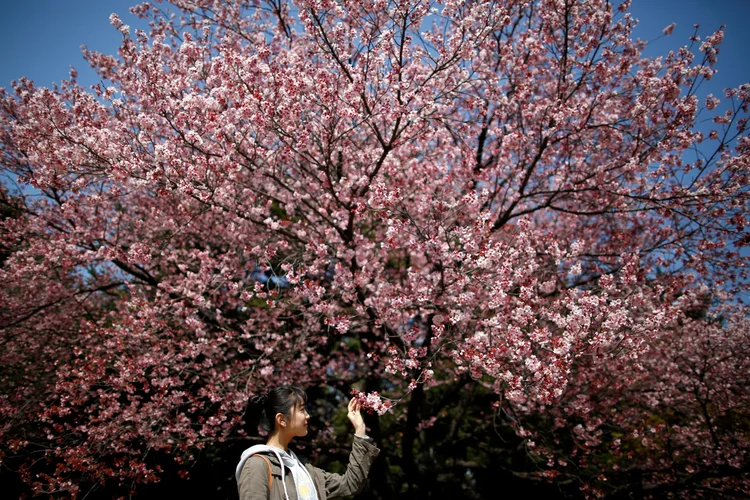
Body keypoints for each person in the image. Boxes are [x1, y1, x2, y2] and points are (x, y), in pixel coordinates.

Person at [236, 385, 380, 500]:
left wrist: (360, 430)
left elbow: (350, 484)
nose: (308, 416)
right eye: (302, 410)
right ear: (281, 420)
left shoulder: (305, 468)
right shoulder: (256, 464)